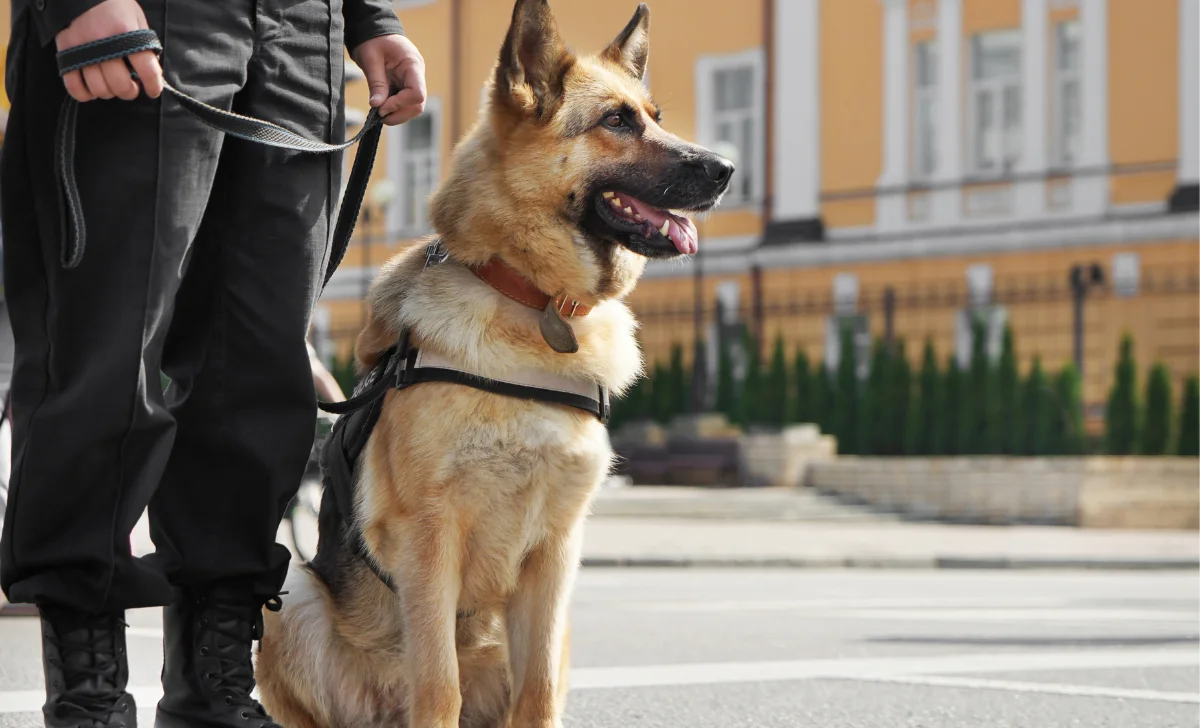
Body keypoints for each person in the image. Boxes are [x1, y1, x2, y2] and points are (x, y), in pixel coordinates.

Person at [0, 0, 425, 725]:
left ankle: (212, 690)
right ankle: (89, 695)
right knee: (103, 361)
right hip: (145, 16)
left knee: (258, 373)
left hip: (302, 32)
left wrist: (366, 17)